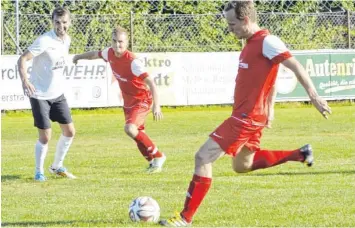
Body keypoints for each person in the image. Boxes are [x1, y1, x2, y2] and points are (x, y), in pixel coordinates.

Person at [159, 1, 331, 226]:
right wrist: (270, 105)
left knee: (202, 157)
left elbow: (295, 66)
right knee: (242, 166)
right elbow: (272, 74)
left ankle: (185, 218)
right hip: (251, 116)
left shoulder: (267, 41)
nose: (229, 28)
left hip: (246, 118)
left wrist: (314, 95)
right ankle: (300, 154)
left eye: (232, 24)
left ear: (246, 20)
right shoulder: (250, 42)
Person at [73, 26, 166, 173]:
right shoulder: (109, 53)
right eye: (115, 41)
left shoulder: (133, 62)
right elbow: (94, 55)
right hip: (128, 102)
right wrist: (79, 56)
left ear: (127, 42)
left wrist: (157, 106)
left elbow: (151, 83)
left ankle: (159, 156)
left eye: (121, 42)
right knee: (137, 133)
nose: (118, 45)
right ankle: (152, 162)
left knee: (130, 129)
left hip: (141, 100)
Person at [17, 7, 76, 182]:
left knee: (70, 131)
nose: (61, 26)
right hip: (39, 94)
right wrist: (25, 81)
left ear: (69, 22)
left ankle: (57, 166)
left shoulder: (67, 40)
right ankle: (39, 172)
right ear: (52, 22)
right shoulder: (44, 40)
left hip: (57, 94)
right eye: (57, 22)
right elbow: (23, 59)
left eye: (64, 22)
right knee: (45, 136)